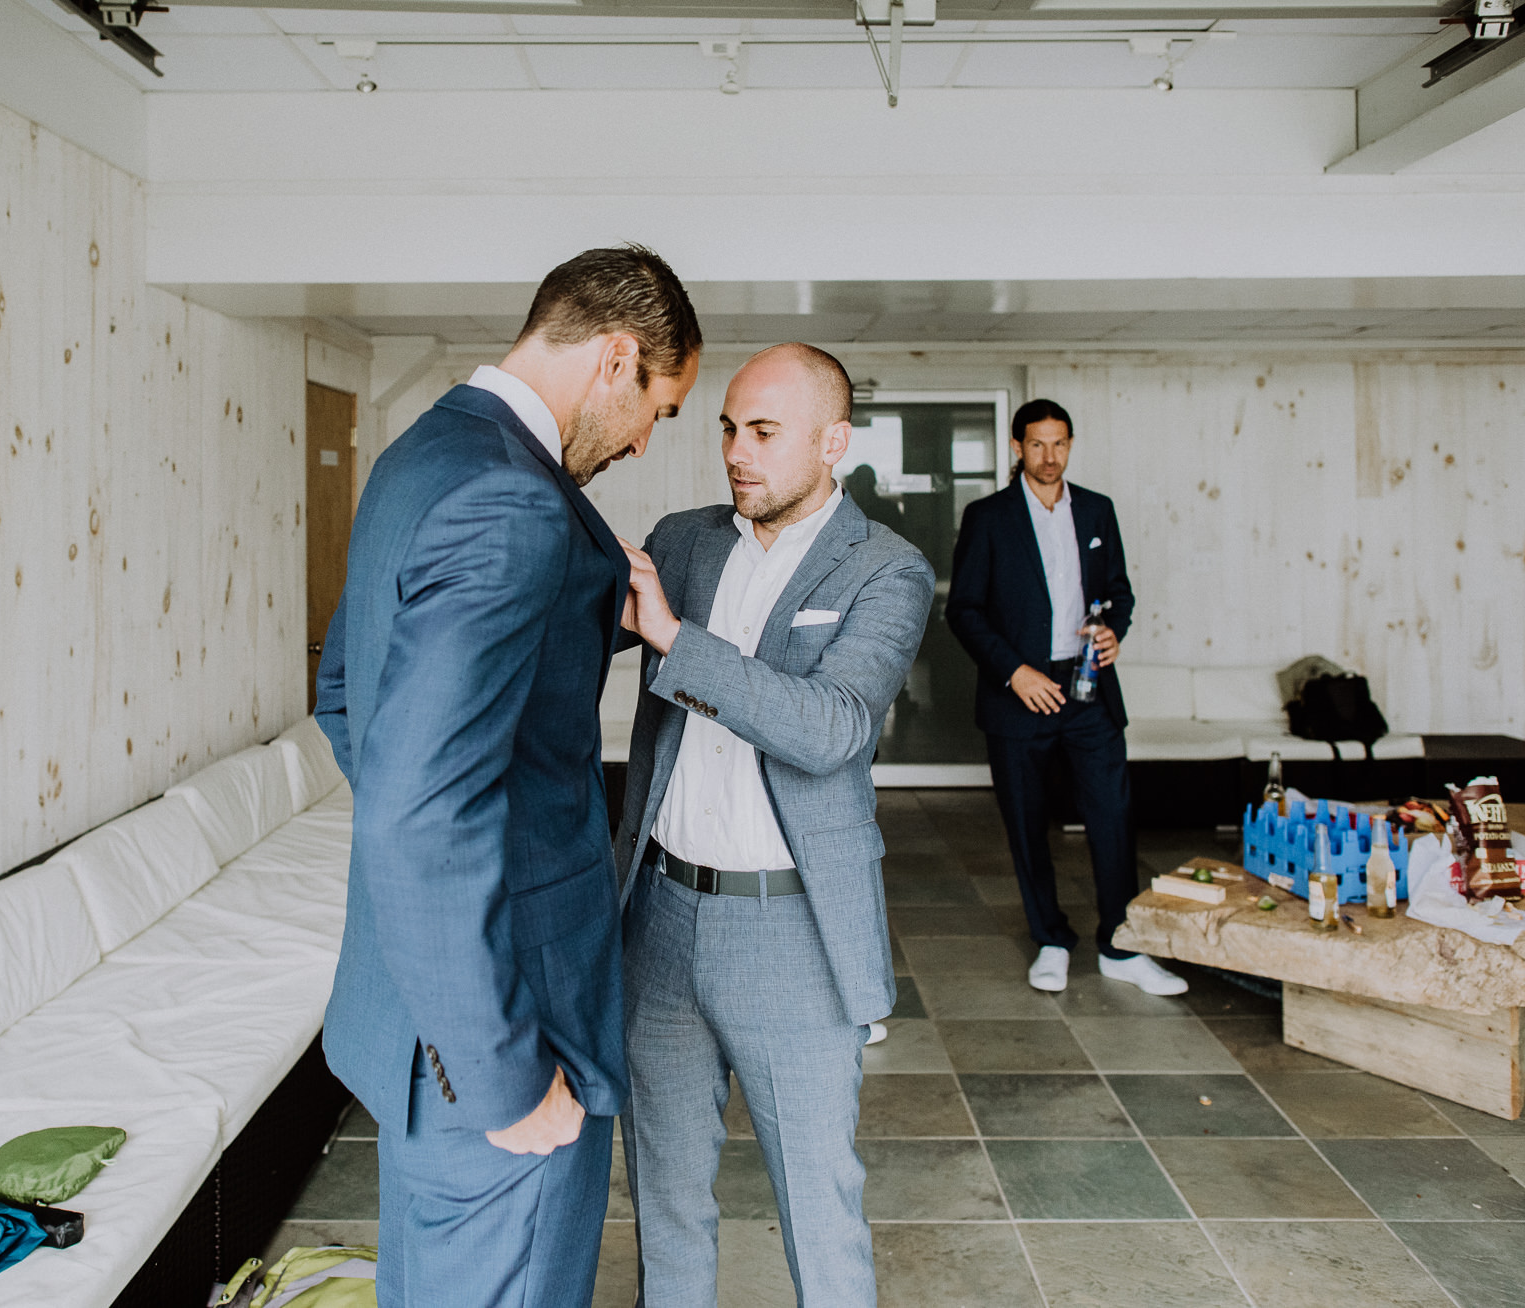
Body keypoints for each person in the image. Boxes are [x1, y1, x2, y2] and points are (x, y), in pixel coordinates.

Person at [313, 245, 702, 1308]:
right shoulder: (513, 502)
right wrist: (502, 1071)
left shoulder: (423, 455)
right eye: (658, 410)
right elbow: (419, 811)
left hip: (412, 1017)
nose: (641, 442)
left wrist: (596, 622)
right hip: (499, 1039)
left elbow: (347, 696)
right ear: (616, 357)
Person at [611, 343, 933, 1307]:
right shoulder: (685, 539)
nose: (736, 453)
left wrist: (674, 638)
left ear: (833, 441)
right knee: (663, 1201)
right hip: (658, 914)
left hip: (790, 931)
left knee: (818, 1207)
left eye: (763, 432)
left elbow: (830, 729)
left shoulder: (888, 569)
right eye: (726, 429)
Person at [944, 398, 1186, 996]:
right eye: (1037, 444)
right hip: (1018, 694)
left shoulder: (1098, 510)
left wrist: (1113, 631)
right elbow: (964, 610)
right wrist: (1014, 673)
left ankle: (1121, 946)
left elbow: (1120, 593)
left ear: (1070, 446)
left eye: (1060, 444)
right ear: (1016, 448)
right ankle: (1050, 939)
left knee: (1113, 818)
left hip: (1089, 689)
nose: (1049, 457)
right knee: (1027, 826)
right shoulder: (989, 517)